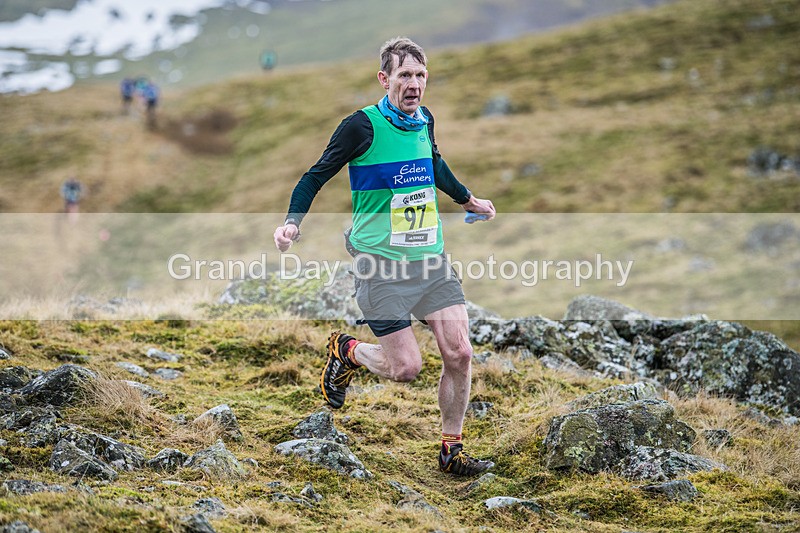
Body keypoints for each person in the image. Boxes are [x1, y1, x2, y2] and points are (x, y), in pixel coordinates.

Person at [273, 37, 497, 476]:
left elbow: (434, 164)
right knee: (406, 367)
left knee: (460, 353)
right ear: (384, 79)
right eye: (404, 76)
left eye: (420, 76)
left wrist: (467, 198)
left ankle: (452, 449)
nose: (414, 85)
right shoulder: (361, 127)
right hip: (379, 265)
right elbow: (314, 176)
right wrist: (292, 223)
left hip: (430, 260)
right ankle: (346, 351)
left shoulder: (424, 119)